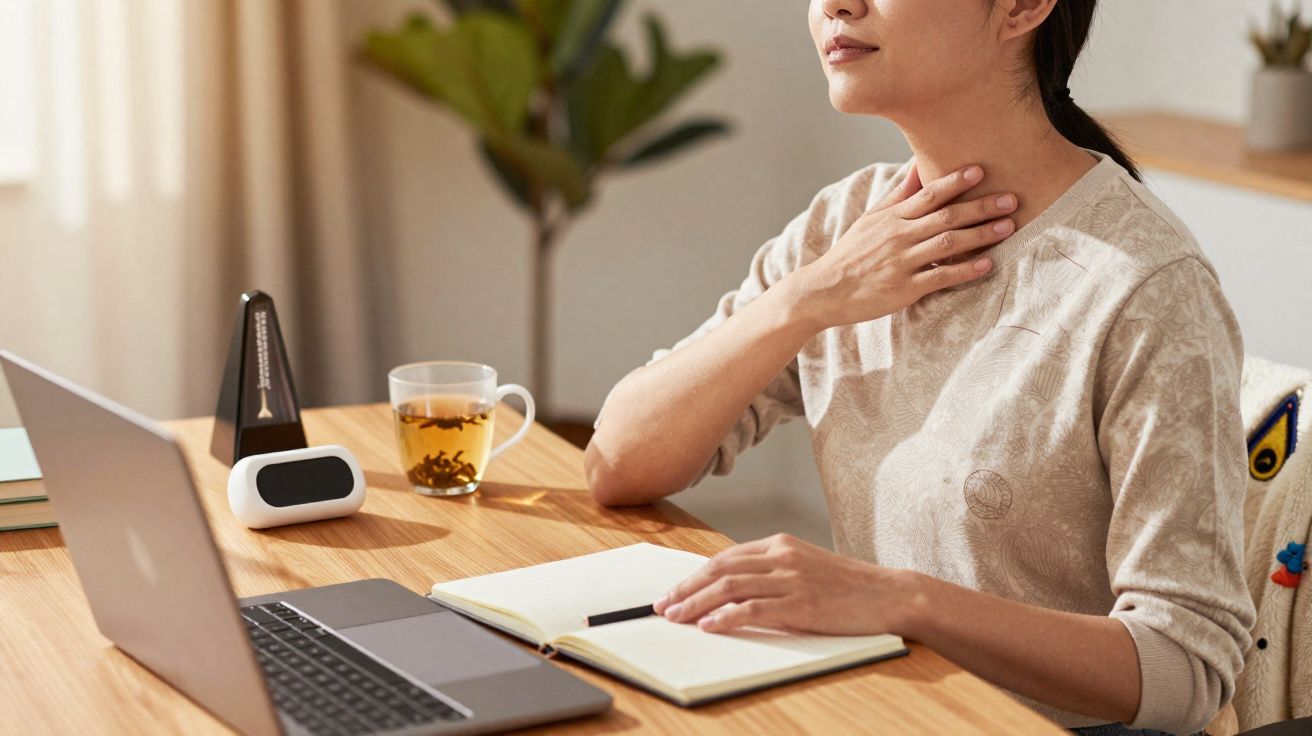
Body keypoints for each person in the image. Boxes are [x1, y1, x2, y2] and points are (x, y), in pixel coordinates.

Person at [583, 1, 1255, 735]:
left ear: (1023, 8)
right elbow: (620, 462)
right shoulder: (847, 228)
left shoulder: (1145, 287)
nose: (835, 5)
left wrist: (904, 602)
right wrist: (809, 299)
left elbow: (1187, 665)